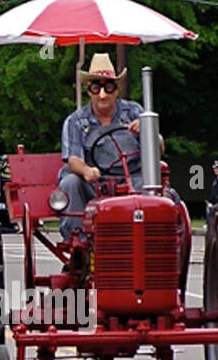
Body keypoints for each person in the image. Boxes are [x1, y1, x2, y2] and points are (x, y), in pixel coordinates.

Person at [56, 53, 158, 240]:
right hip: (94, 184)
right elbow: (73, 159)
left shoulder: (134, 111)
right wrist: (86, 171)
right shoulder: (76, 121)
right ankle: (77, 242)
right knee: (70, 182)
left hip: (132, 182)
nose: (102, 95)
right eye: (96, 88)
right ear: (89, 91)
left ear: (117, 90)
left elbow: (158, 150)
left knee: (157, 189)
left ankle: (152, 240)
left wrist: (147, 131)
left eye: (108, 87)